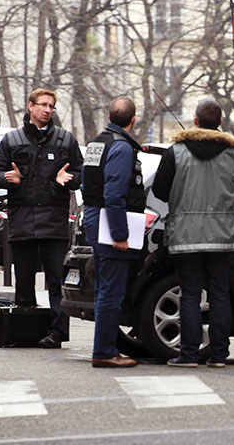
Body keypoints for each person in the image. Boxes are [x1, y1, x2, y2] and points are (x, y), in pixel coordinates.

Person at [152, 99, 234, 368]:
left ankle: (189, 354)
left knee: (191, 294)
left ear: (195, 121)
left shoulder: (176, 152)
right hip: (223, 234)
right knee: (219, 294)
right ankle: (219, 355)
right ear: (220, 122)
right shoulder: (233, 153)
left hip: (186, 234)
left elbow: (160, 189)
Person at [0, 88, 82, 349]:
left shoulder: (65, 140)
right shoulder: (12, 139)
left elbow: (80, 171)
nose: (47, 110)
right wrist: (8, 178)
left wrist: (70, 179)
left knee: (56, 281)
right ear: (30, 107)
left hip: (54, 221)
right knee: (25, 280)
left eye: (51, 106)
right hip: (23, 220)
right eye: (42, 105)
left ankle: (56, 333)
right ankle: (25, 329)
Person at [82, 96, 144, 368]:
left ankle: (104, 348)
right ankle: (105, 351)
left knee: (104, 289)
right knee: (111, 291)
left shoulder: (97, 143)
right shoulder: (121, 147)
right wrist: (120, 234)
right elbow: (115, 194)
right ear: (133, 119)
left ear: (109, 117)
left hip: (95, 217)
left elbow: (87, 185)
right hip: (110, 221)